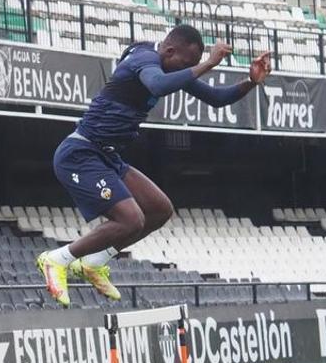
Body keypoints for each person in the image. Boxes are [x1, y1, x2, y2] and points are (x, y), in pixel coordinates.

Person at [37, 25, 272, 306]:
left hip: (107, 156)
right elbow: (157, 85)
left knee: (160, 209)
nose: (187, 70)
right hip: (81, 153)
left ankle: (93, 262)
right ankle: (57, 259)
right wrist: (209, 63)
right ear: (170, 51)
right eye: (186, 64)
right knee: (131, 219)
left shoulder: (169, 66)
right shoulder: (144, 61)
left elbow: (216, 99)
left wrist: (251, 82)